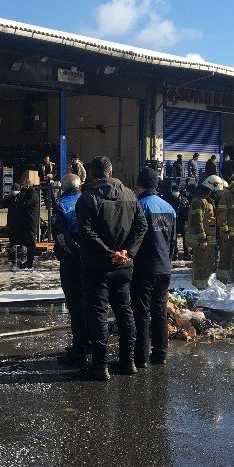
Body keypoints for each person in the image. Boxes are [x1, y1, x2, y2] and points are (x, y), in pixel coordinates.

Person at [75, 155, 147, 380]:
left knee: (98, 314)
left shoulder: (87, 198)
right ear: (111, 172)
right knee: (124, 311)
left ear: (91, 174)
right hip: (123, 264)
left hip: (97, 265)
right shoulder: (130, 195)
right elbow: (141, 226)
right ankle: (128, 361)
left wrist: (111, 253)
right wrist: (127, 251)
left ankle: (100, 365)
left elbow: (86, 232)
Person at [133, 168, 175, 367]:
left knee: (141, 313)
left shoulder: (139, 206)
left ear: (140, 185)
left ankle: (141, 357)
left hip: (145, 267)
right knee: (159, 312)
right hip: (164, 266)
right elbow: (172, 241)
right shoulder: (169, 208)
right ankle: (160, 354)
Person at [50, 173, 88, 365]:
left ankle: (80, 347)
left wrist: (76, 253)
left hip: (72, 261)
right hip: (91, 258)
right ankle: (88, 342)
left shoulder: (61, 205)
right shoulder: (88, 200)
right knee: (90, 303)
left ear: (63, 188)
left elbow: (60, 236)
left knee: (75, 304)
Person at [187, 176, 221, 288]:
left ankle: (205, 287)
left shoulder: (207, 201)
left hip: (209, 241)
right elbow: (197, 221)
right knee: (201, 266)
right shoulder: (200, 201)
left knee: (208, 265)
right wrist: (202, 239)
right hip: (203, 242)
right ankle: (199, 288)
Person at [7, 178, 40, 268]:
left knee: (31, 240)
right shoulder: (28, 194)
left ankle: (30, 260)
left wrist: (22, 193)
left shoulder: (33, 194)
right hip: (26, 220)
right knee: (26, 240)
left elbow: (24, 204)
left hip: (31, 220)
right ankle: (25, 258)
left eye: (24, 185)